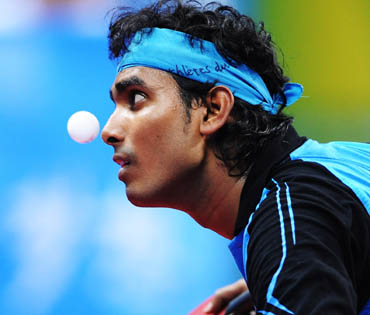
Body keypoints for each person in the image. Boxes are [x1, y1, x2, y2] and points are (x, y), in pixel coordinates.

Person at [101, 0, 370, 314]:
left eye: (136, 98)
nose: (109, 130)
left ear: (214, 110)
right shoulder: (330, 175)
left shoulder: (293, 223)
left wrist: (287, 266)